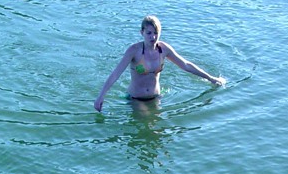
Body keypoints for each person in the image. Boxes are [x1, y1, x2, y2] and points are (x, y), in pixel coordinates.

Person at [94, 15, 226, 111]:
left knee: (157, 130)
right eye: (149, 33)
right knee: (147, 124)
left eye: (156, 33)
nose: (153, 37)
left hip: (156, 97)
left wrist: (211, 78)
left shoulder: (164, 49)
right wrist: (101, 96)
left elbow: (185, 65)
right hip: (136, 98)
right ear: (142, 33)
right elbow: (116, 74)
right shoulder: (134, 51)